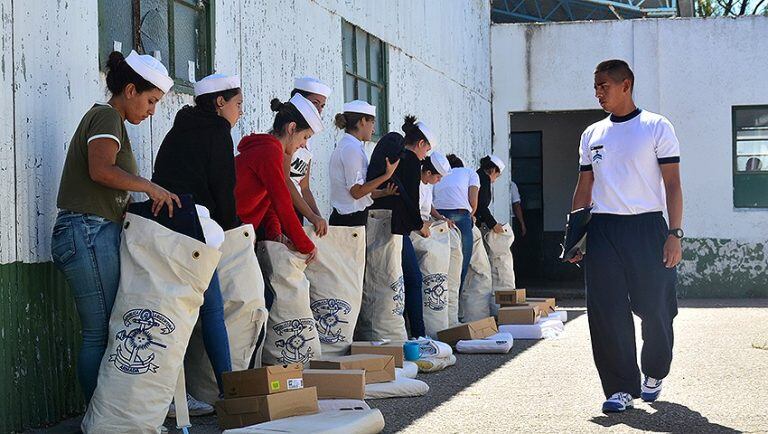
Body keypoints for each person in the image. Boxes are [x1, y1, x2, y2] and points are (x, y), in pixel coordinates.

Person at [51, 50, 177, 403]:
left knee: (106, 331)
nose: (152, 111)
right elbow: (101, 171)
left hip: (89, 231)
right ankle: (101, 420)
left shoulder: (113, 121)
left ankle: (107, 417)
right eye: (151, 101)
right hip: (86, 231)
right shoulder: (106, 117)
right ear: (131, 90)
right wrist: (149, 186)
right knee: (101, 333)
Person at [568, 59, 683, 413]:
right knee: (607, 312)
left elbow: (673, 183)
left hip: (648, 227)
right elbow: (584, 186)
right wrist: (575, 237)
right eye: (595, 86)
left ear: (626, 85)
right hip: (604, 230)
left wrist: (675, 233)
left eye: (604, 85)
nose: (598, 92)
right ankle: (619, 388)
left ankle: (655, 371)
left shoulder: (655, 127)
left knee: (656, 310)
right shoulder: (592, 134)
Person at [151, 73, 242, 413]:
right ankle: (229, 392)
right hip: (195, 228)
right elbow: (223, 186)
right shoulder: (218, 132)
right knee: (212, 312)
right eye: (237, 104)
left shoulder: (179, 129)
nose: (239, 112)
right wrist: (231, 225)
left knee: (175, 312)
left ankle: (172, 396)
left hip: (163, 227)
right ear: (220, 102)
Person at [367, 116, 437, 338]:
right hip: (395, 225)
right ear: (421, 144)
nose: (426, 156)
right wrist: (419, 224)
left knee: (393, 280)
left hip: (381, 221)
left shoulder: (398, 155)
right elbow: (409, 198)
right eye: (427, 150)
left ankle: (404, 333)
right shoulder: (412, 161)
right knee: (413, 280)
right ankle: (418, 334)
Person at [235, 93, 322, 269]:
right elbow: (282, 202)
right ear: (292, 128)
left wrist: (276, 234)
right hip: (230, 229)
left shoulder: (268, 148)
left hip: (237, 229)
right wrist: (306, 245)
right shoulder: (270, 151)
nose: (304, 145)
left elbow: (269, 202)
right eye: (305, 137)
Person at [328, 100, 398, 227]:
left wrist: (384, 193)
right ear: (362, 121)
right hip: (349, 221)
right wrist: (386, 176)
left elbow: (360, 191)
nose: (373, 129)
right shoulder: (351, 149)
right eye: (372, 122)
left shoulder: (351, 146)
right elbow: (356, 192)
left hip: (351, 218)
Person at [286, 77, 332, 236]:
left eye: (322, 106)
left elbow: (304, 187)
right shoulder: (286, 135)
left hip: (298, 208)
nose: (319, 110)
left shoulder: (307, 141)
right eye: (315, 103)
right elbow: (285, 181)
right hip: (280, 209)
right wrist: (311, 216)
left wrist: (318, 217)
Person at [432, 154, 480, 294]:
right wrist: (470, 216)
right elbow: (473, 202)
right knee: (461, 263)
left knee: (441, 262)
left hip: (438, 216)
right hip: (460, 215)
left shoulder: (440, 174)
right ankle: (455, 305)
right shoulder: (470, 173)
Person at [418, 151, 453, 231]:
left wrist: (441, 218)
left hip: (426, 223)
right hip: (419, 228)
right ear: (428, 173)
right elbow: (413, 216)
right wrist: (439, 224)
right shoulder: (418, 186)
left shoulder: (426, 185)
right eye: (438, 177)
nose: (439, 180)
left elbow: (428, 206)